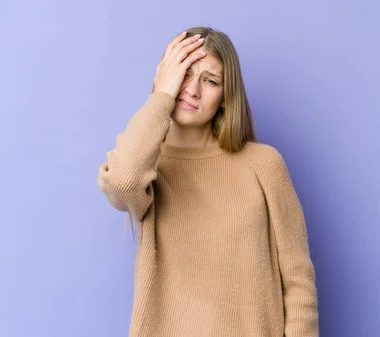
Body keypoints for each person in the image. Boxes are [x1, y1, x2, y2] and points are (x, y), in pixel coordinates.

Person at [97, 26, 319, 337]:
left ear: (226, 97)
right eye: (184, 74)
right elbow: (121, 183)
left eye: (210, 80)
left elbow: (297, 279)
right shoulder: (148, 167)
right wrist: (161, 95)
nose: (192, 90)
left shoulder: (263, 164)